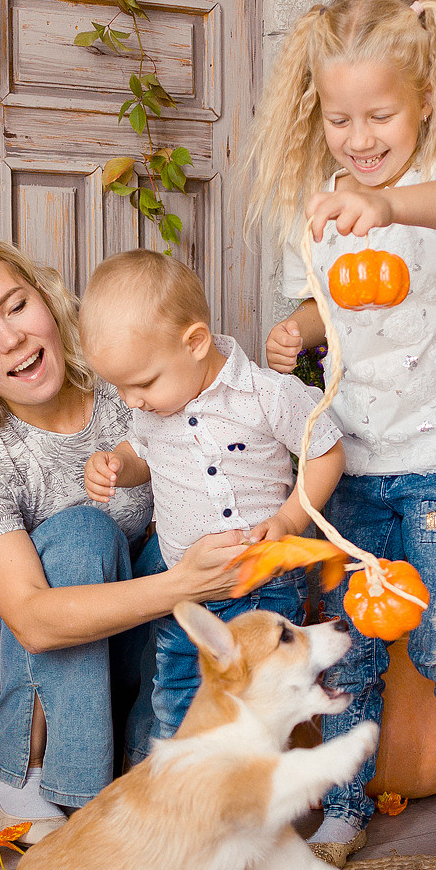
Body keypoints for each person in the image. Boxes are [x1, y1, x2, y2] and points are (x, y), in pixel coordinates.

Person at [246, 0, 436, 870]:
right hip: (352, 465)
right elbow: (329, 302)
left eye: (380, 116)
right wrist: (301, 330)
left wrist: (394, 206)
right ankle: (345, 804)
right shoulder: (319, 201)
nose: (359, 139)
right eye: (340, 120)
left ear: (423, 106)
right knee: (353, 645)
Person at [0, 238, 246, 844]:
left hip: (116, 615)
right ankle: (29, 778)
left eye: (17, 307)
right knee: (86, 529)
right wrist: (181, 584)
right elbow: (32, 619)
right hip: (5, 630)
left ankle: (156, 772)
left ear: (48, 302)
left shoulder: (124, 385)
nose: (10, 339)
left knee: (185, 541)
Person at [78, 248, 346, 739]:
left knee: (263, 701)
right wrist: (117, 466)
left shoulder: (266, 395)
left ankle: (254, 793)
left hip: (262, 582)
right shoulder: (152, 411)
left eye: (141, 383)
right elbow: (143, 457)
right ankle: (187, 799)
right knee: (179, 698)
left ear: (196, 342)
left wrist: (288, 521)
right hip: (187, 587)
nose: (130, 400)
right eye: (119, 388)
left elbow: (326, 452)